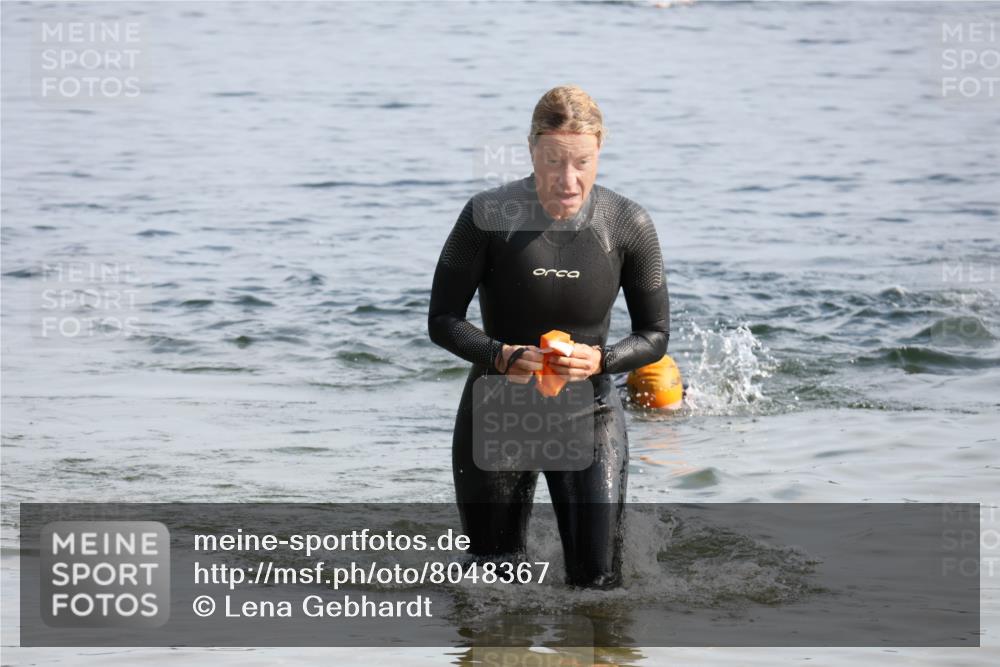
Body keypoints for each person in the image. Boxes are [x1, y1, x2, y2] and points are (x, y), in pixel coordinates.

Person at [427, 85, 669, 588]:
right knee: (492, 589)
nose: (568, 179)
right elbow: (442, 319)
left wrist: (601, 360)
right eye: (554, 161)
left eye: (581, 162)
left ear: (599, 149)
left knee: (598, 587)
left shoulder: (628, 224)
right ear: (532, 149)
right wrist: (499, 354)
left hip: (590, 412)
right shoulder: (486, 216)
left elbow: (655, 335)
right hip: (497, 410)